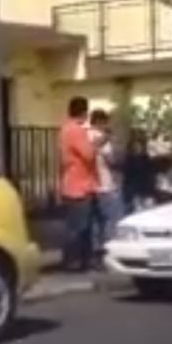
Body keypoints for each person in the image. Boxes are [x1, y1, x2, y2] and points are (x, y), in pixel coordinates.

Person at [58, 96, 99, 272]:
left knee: (74, 225)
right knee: (81, 227)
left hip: (70, 182)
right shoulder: (76, 131)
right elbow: (88, 154)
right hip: (80, 185)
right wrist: (97, 143)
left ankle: (75, 260)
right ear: (83, 112)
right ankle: (77, 260)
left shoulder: (64, 129)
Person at [89, 109, 123, 254]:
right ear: (100, 122)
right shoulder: (101, 138)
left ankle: (95, 246)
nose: (107, 125)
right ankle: (108, 246)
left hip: (92, 185)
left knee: (96, 219)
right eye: (105, 122)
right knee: (112, 217)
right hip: (105, 184)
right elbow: (111, 160)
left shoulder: (86, 136)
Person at [122, 128, 156, 213]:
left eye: (139, 146)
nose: (137, 148)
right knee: (137, 210)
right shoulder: (129, 159)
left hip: (144, 189)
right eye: (135, 146)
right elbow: (127, 176)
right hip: (134, 190)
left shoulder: (146, 158)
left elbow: (150, 175)